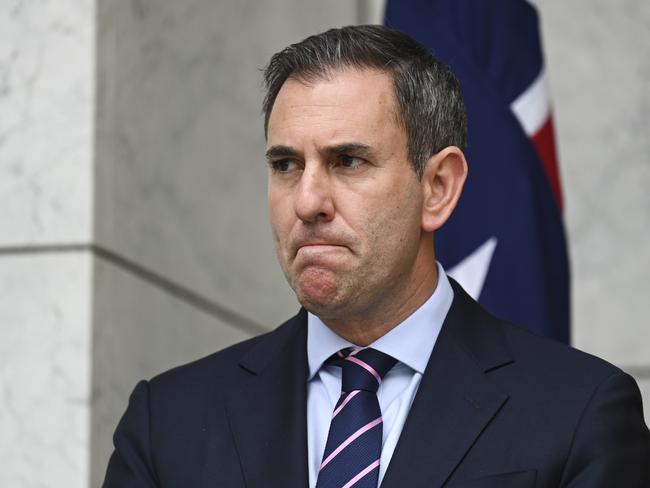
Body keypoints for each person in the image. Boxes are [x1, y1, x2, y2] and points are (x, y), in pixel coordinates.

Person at [103, 25, 650, 487]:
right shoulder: (167, 423)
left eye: (348, 161)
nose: (308, 201)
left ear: (437, 187)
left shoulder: (579, 414)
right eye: (286, 165)